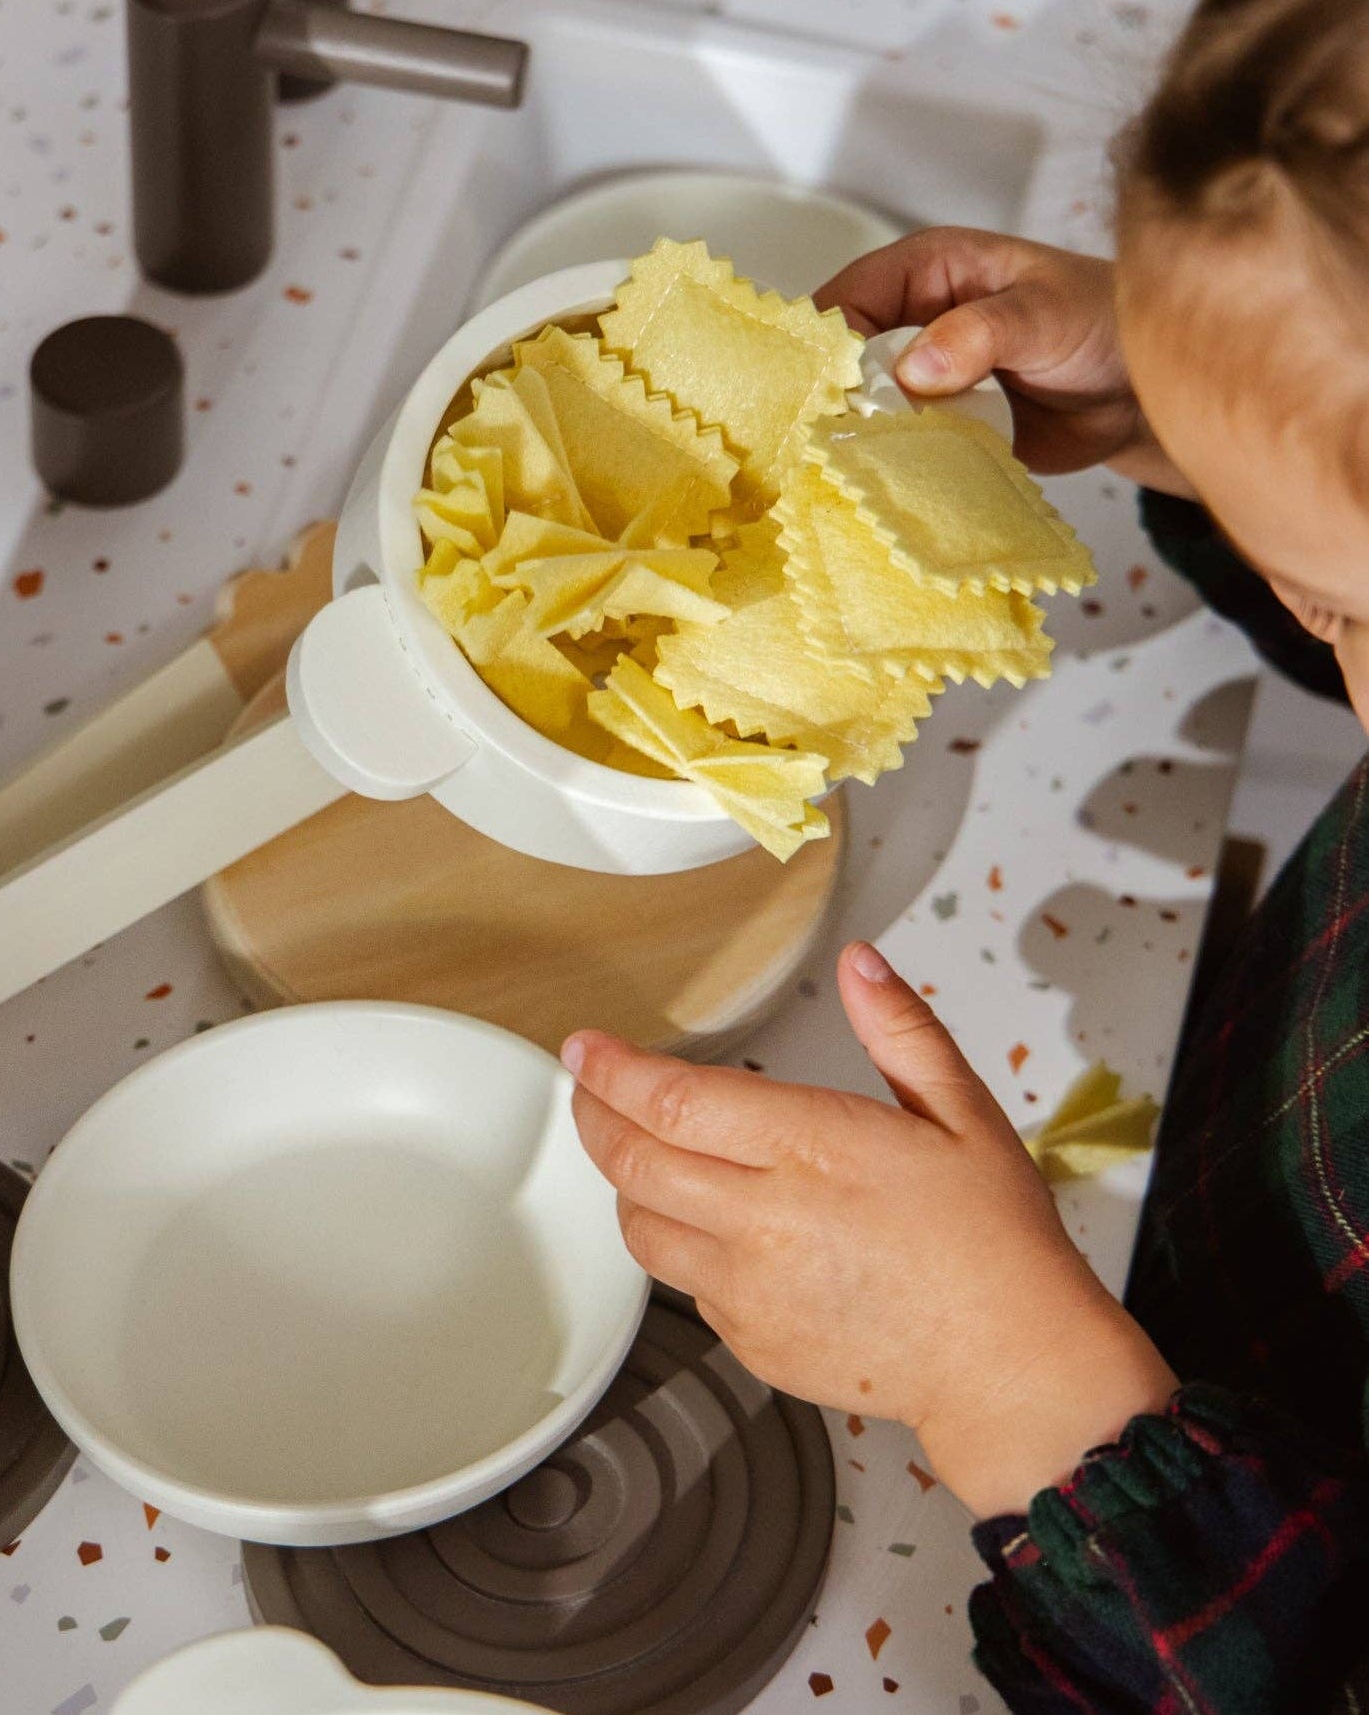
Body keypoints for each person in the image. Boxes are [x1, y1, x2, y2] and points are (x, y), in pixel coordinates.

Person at [563, 2, 1369, 1709]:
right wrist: (1195, 413)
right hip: (1198, 1250)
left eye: (1336, 603)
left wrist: (1016, 1385)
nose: (1318, 623)